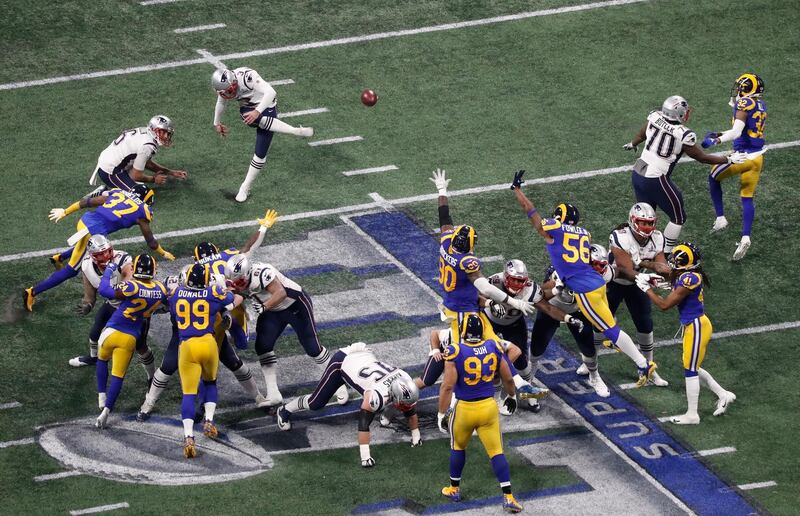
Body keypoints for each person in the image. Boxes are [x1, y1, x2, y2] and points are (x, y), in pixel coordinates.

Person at [511, 170, 656, 387]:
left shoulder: (554, 228)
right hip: (597, 283)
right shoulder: (584, 233)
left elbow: (531, 212)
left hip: (582, 288)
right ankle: (640, 361)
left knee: (609, 330)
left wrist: (518, 191)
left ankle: (641, 362)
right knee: (609, 327)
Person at [622, 96, 747, 253]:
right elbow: (701, 157)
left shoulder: (655, 116)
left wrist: (633, 143)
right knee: (678, 217)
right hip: (655, 178)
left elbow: (642, 133)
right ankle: (665, 254)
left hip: (638, 172)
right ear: (679, 114)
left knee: (646, 217)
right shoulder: (683, 133)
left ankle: (637, 250)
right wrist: (728, 159)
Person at [23, 184, 175, 311]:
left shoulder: (118, 193)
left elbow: (88, 202)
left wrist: (65, 211)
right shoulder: (143, 211)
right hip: (93, 231)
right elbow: (150, 241)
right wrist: (163, 252)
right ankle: (32, 292)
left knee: (93, 245)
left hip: (85, 221)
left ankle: (60, 257)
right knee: (71, 270)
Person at [225, 253, 347, 406]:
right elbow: (236, 294)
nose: (238, 284)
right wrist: (228, 305)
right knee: (263, 346)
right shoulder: (237, 280)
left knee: (313, 348)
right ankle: (273, 393)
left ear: (248, 272)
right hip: (273, 311)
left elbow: (280, 293)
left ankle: (338, 383)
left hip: (295, 305)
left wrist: (264, 306)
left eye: (240, 280)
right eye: (234, 281)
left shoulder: (261, 273)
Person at [276, 342, 422, 467]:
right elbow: (363, 423)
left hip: (363, 356)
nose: (407, 407)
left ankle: (343, 386)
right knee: (315, 403)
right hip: (342, 363)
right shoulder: (376, 397)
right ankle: (284, 410)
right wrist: (365, 457)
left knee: (395, 403)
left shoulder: (404, 380)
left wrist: (416, 436)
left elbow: (409, 407)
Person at [635, 242, 735, 424]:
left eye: (674, 259)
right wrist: (643, 264)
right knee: (692, 366)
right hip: (693, 325)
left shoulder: (690, 278)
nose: (670, 262)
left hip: (697, 326)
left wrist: (647, 289)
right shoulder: (685, 274)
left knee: (690, 369)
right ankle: (723, 394)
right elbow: (665, 271)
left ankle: (692, 414)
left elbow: (664, 305)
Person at [437, 313, 523, 513]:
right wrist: (511, 396)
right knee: (497, 452)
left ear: (464, 331)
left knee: (458, 446)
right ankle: (508, 496)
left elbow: (447, 387)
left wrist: (442, 413)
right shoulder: (493, 347)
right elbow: (508, 378)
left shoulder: (454, 350)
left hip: (465, 409)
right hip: (488, 407)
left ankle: (454, 489)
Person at [481, 258, 584, 410]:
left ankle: (528, 393)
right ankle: (482, 391)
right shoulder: (494, 282)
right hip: (489, 321)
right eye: (514, 280)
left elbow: (547, 308)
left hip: (514, 324)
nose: (517, 284)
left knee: (521, 362)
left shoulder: (530, 288)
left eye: (520, 280)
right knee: (481, 355)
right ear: (505, 276)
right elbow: (476, 297)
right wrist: (490, 303)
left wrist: (568, 318)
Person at [169, 263, 244, 458]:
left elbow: (173, 311)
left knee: (188, 394)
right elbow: (232, 301)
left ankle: (188, 437)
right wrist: (235, 294)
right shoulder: (213, 292)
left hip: (187, 346)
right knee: (210, 383)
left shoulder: (176, 293)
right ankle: (209, 420)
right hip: (208, 343)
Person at [210, 67, 314, 202]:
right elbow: (221, 101)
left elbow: (271, 92)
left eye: (231, 89)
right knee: (247, 116)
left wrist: (257, 111)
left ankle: (245, 186)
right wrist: (216, 123)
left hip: (267, 105)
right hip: (248, 107)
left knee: (260, 154)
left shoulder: (247, 77)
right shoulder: (224, 87)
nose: (231, 93)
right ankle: (295, 131)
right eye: (227, 92)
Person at [596, 202, 670, 386]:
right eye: (642, 222)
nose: (647, 227)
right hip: (613, 281)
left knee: (645, 324)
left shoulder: (658, 238)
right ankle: (591, 364)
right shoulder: (620, 236)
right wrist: (648, 270)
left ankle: (648, 368)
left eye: (650, 222)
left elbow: (662, 266)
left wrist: (667, 274)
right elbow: (625, 270)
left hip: (638, 282)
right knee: (599, 324)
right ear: (632, 221)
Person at [94, 255, 167, 429]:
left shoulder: (131, 285)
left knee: (102, 360)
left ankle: (101, 395)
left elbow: (104, 290)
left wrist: (110, 270)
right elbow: (169, 299)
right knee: (118, 376)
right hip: (130, 338)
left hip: (112, 331)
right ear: (154, 270)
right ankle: (106, 412)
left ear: (135, 269)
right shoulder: (160, 289)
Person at [702, 73, 767, 261]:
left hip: (742, 157)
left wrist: (716, 140)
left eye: (740, 86)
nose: (738, 89)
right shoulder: (760, 105)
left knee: (713, 176)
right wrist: (721, 132)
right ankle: (745, 237)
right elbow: (745, 130)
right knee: (747, 197)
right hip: (757, 158)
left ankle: (721, 218)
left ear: (746, 88)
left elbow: (737, 131)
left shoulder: (744, 104)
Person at [535, 249, 612, 398]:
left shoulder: (607, 274)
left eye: (602, 265)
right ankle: (528, 380)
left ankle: (594, 376)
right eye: (595, 264)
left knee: (588, 348)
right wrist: (557, 287)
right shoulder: (564, 269)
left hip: (578, 309)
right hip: (553, 307)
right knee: (537, 348)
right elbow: (541, 291)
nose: (598, 269)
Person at [87, 115, 187, 195]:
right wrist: (154, 179)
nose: (167, 136)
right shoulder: (148, 145)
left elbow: (147, 162)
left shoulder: (146, 132)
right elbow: (136, 175)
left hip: (111, 161)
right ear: (156, 130)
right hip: (110, 171)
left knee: (138, 187)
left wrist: (170, 172)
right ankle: (103, 193)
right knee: (139, 196)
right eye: (164, 132)